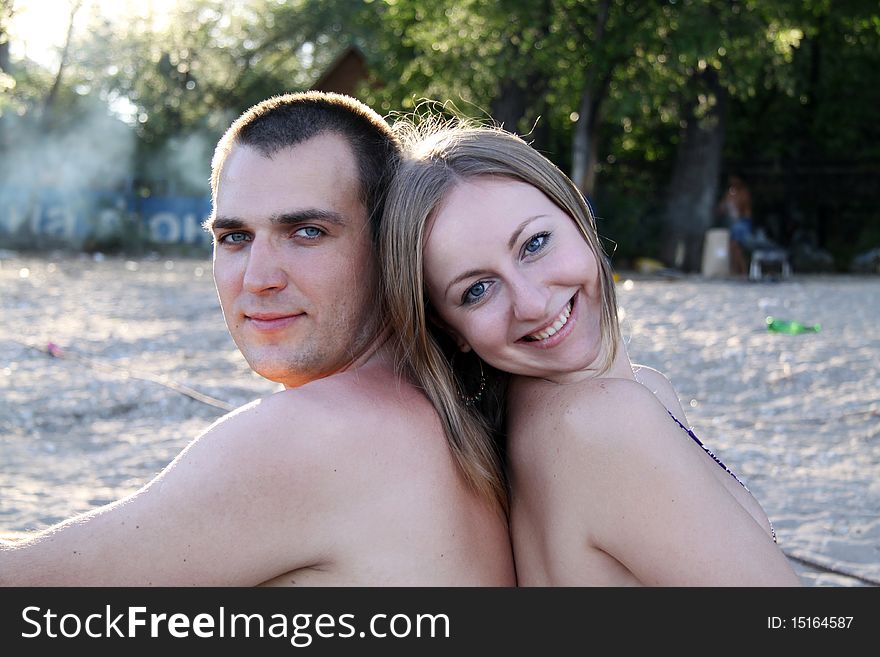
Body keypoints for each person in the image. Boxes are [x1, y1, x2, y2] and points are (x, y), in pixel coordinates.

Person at [0, 92, 515, 586]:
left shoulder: (314, 436)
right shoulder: (448, 402)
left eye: (307, 232)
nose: (257, 277)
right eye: (235, 238)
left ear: (390, 245)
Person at [381, 119, 802, 586]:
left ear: (577, 215)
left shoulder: (596, 397)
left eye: (534, 244)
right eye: (478, 289)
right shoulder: (606, 421)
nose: (533, 303)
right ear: (450, 328)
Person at [716, 174, 754, 276]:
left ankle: (742, 270)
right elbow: (721, 209)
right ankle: (737, 270)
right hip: (733, 223)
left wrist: (733, 200)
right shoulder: (730, 193)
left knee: (735, 245)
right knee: (733, 246)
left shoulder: (744, 193)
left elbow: (741, 208)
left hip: (743, 222)